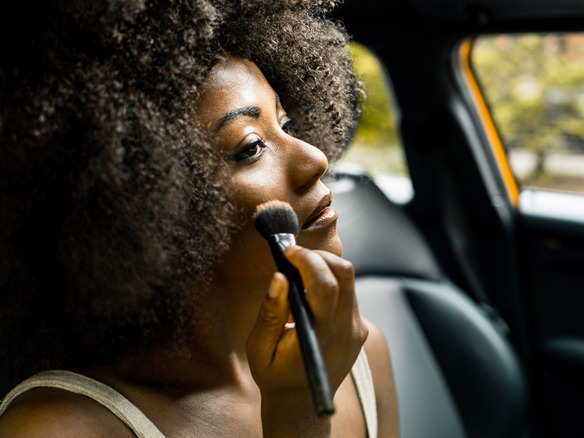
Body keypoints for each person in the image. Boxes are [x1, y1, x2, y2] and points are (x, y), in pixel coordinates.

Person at [0, 0, 399, 436]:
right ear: (141, 207)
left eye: (287, 124)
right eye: (250, 148)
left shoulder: (361, 354)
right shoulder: (57, 427)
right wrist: (297, 414)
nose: (316, 159)